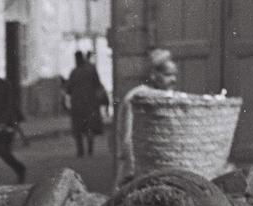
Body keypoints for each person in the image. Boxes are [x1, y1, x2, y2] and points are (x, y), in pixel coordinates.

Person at [116, 47, 180, 185]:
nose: (173, 79)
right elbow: (128, 138)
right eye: (168, 74)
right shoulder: (137, 97)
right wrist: (133, 170)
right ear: (153, 74)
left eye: (175, 75)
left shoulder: (169, 97)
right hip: (138, 170)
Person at [64, 51, 109, 158]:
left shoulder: (74, 72)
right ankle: (89, 149)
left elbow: (68, 89)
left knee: (79, 128)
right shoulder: (91, 70)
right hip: (90, 103)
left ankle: (81, 151)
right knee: (89, 127)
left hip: (78, 104)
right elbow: (97, 84)